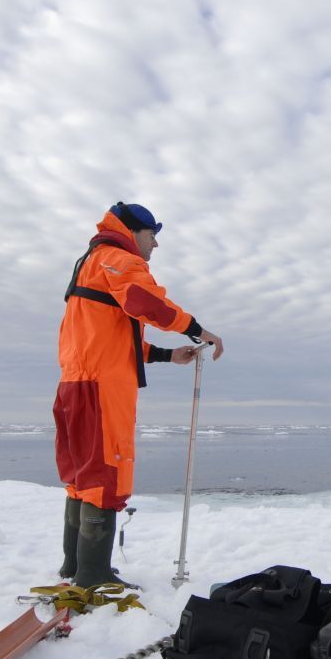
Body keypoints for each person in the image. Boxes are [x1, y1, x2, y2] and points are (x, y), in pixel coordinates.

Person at [53, 201, 224, 587]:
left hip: (75, 385)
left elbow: (112, 337)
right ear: (134, 232)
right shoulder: (118, 259)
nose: (155, 246)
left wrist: (166, 355)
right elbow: (148, 303)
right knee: (106, 473)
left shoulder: (91, 263)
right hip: (100, 388)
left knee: (82, 476)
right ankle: (93, 576)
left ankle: (75, 566)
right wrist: (197, 330)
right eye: (152, 236)